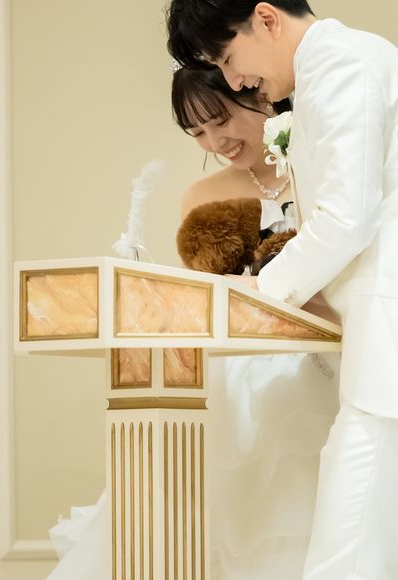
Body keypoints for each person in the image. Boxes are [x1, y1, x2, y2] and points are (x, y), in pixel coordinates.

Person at [166, 1, 398, 579]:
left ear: (266, 19)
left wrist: (253, 293)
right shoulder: (357, 59)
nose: (236, 80)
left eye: (229, 59)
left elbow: (344, 221)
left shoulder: (340, 66)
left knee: (348, 564)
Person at [46, 65, 340, 580]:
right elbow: (203, 306)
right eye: (197, 132)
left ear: (258, 96)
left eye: (220, 120)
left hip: (329, 352)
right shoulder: (201, 195)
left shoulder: (321, 172)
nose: (214, 142)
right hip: (239, 366)